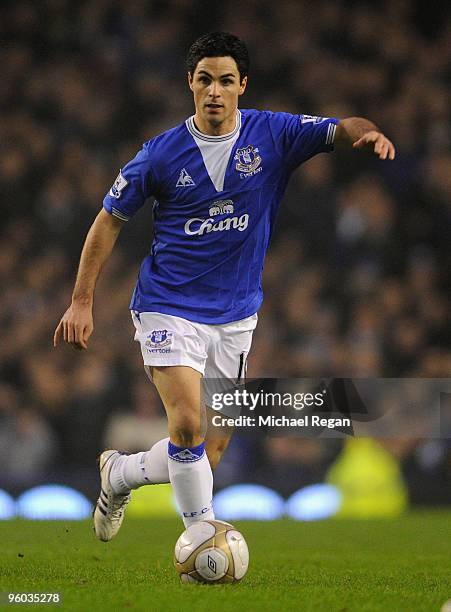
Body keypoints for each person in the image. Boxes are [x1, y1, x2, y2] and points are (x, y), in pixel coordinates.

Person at [53, 32, 395, 541]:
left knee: (206, 451)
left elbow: (340, 128)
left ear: (242, 86)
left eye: (226, 81)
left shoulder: (273, 135)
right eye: (206, 80)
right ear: (190, 84)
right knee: (187, 426)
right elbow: (108, 221)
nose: (216, 90)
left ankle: (120, 474)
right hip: (167, 306)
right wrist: (82, 300)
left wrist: (366, 134)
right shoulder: (160, 154)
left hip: (236, 316)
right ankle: (203, 541)